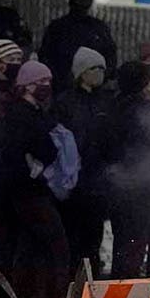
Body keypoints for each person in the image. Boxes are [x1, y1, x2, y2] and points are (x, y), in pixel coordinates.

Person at [1, 60, 70, 298]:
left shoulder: (26, 113)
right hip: (29, 191)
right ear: (26, 85)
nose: (46, 86)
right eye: (41, 82)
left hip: (28, 190)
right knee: (55, 243)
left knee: (31, 246)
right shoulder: (23, 115)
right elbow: (41, 146)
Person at [53, 46, 112, 272]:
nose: (99, 72)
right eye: (94, 68)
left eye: (102, 68)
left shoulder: (105, 101)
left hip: (97, 181)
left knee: (93, 239)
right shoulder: (66, 102)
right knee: (74, 239)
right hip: (75, 183)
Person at [107, 62, 150, 278]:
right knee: (137, 246)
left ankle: (118, 289)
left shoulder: (114, 107)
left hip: (120, 187)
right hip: (140, 187)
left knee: (123, 246)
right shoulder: (144, 111)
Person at [38, 0, 117, 92]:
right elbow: (46, 57)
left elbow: (110, 55)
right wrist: (60, 80)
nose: (83, 5)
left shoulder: (99, 28)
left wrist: (101, 77)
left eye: (86, 0)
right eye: (80, 0)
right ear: (71, 2)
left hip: (95, 89)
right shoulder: (58, 28)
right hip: (62, 88)